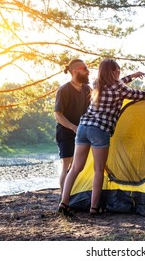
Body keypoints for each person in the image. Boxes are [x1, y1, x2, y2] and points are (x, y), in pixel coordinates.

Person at [58, 59, 145, 216]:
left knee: (76, 167)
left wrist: (132, 76)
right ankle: (94, 208)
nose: (119, 73)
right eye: (117, 70)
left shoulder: (98, 83)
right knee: (98, 170)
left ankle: (63, 203)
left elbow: (117, 83)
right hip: (100, 130)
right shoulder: (119, 88)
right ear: (112, 72)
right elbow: (141, 95)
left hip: (83, 127)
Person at [54, 59, 91, 192]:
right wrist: (74, 128)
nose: (88, 72)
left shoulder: (87, 89)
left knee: (77, 166)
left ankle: (74, 195)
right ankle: (64, 200)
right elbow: (58, 115)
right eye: (85, 69)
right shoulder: (64, 90)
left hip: (82, 133)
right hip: (66, 133)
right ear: (75, 71)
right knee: (66, 166)